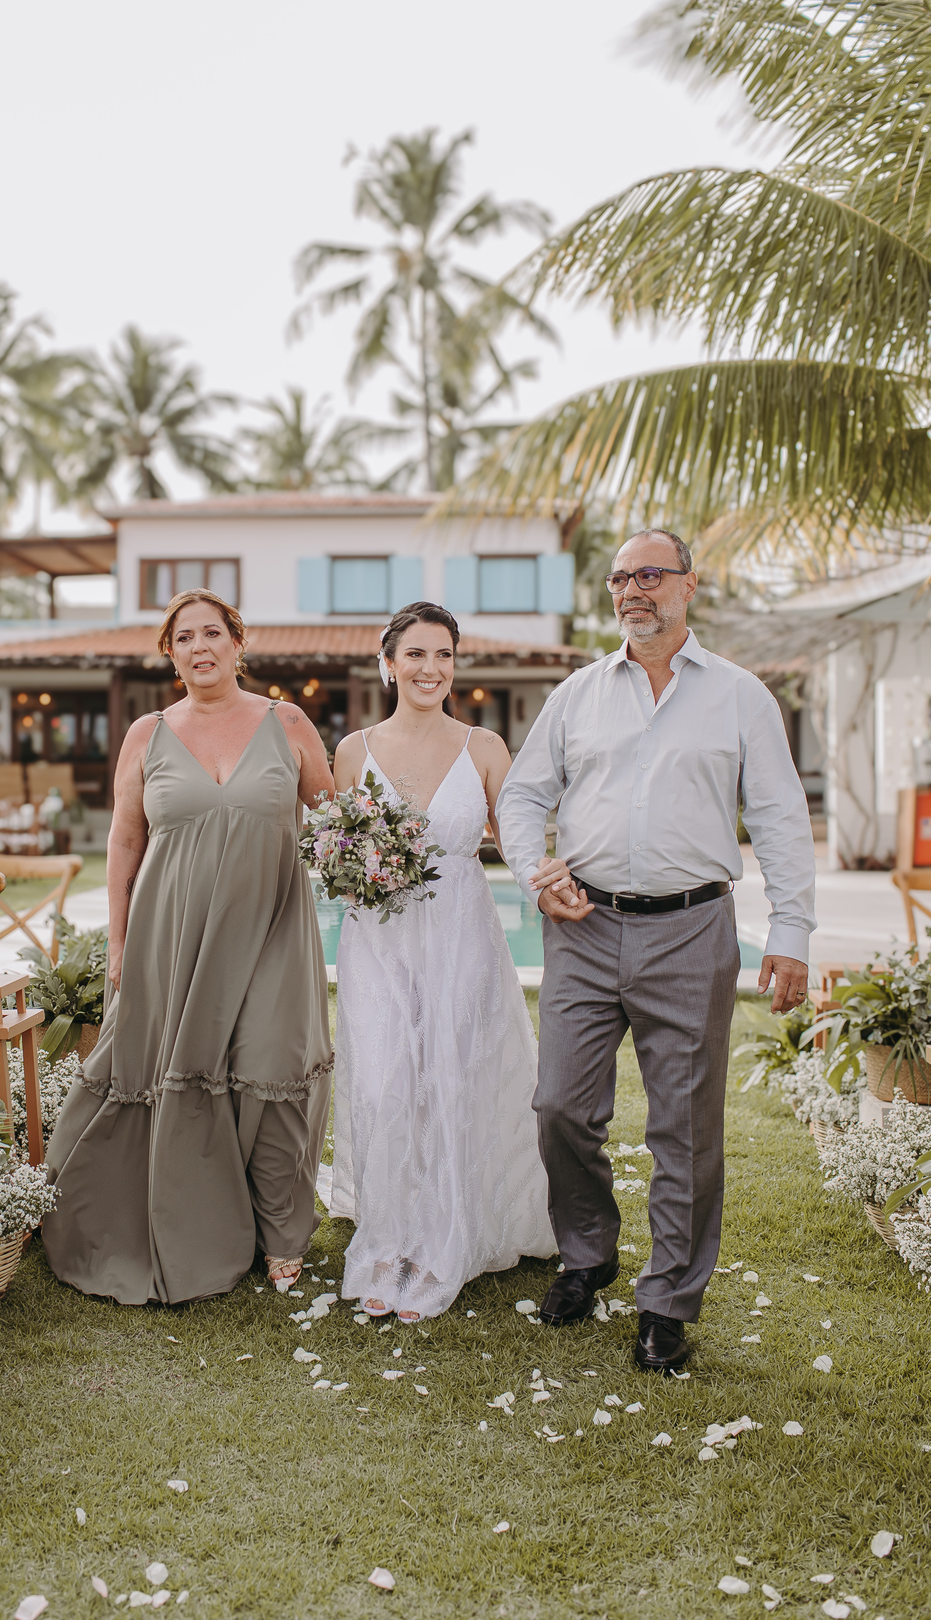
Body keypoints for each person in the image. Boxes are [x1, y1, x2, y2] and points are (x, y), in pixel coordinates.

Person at [496, 529, 816, 1373]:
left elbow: (780, 814)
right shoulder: (576, 694)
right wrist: (537, 872)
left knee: (684, 1129)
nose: (633, 589)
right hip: (584, 927)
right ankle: (589, 1252)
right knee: (560, 1106)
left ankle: (667, 1300)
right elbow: (524, 794)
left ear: (688, 586)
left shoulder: (742, 697)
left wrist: (791, 932)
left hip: (692, 929)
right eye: (620, 578)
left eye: (650, 575)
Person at [42, 588, 334, 1306]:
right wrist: (116, 941)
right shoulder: (147, 734)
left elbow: (334, 823)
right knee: (179, 1070)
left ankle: (281, 1232)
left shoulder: (288, 721)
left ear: (238, 642)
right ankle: (184, 1225)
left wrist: (378, 865)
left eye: (212, 633)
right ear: (171, 655)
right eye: (183, 638)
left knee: (270, 1064)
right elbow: (124, 841)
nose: (199, 646)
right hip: (170, 932)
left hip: (271, 925)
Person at [328, 601, 558, 1323]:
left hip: (461, 933)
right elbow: (342, 846)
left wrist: (547, 884)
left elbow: (518, 838)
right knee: (384, 1086)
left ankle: (443, 1242)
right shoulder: (352, 750)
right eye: (417, 654)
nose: (431, 669)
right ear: (388, 663)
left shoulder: (485, 746)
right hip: (378, 938)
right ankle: (388, 1239)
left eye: (444, 656)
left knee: (452, 1080)